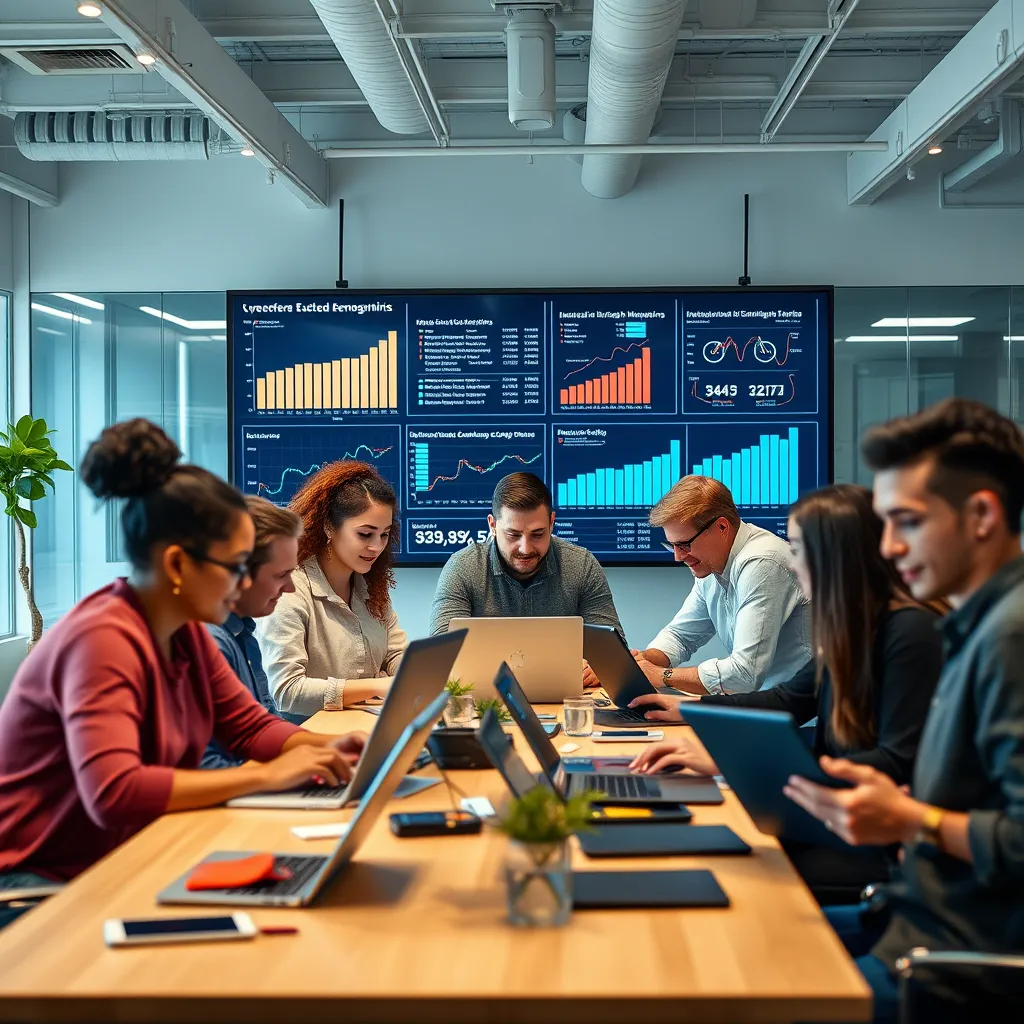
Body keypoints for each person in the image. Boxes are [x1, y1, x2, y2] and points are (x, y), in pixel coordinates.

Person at [0, 420, 366, 911]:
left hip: (121, 857)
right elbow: (115, 790)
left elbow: (247, 726)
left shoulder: (185, 631)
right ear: (177, 565)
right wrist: (267, 776)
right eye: (236, 565)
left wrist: (331, 749)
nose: (242, 583)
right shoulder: (102, 640)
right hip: (37, 884)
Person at [784, 399, 1024, 1022]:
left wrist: (912, 819)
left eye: (907, 522)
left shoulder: (1007, 637)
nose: (887, 547)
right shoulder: (976, 626)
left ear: (981, 515)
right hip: (905, 919)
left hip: (945, 962)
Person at [629, 484, 945, 903]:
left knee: (726, 870)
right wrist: (695, 712)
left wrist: (738, 760)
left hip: (870, 832)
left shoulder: (909, 633)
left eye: (800, 550)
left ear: (840, 559)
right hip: (833, 808)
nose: (793, 565)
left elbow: (893, 762)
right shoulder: (852, 626)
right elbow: (789, 700)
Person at [427, 472, 624, 687]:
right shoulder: (462, 568)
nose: (525, 548)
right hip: (486, 702)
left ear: (552, 522)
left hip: (570, 699)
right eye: (513, 535)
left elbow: (615, 655)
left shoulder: (582, 565)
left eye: (538, 534)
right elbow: (441, 657)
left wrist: (600, 666)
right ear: (492, 525)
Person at [628, 475, 811, 697]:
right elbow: (680, 636)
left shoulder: (762, 563)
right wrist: (641, 663)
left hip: (802, 719)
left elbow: (745, 674)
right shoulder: (711, 565)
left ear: (722, 527)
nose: (678, 557)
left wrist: (662, 676)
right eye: (672, 545)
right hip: (763, 708)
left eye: (684, 544)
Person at [258, 461, 407, 718]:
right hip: (306, 736)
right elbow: (286, 691)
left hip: (362, 725)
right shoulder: (289, 588)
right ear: (329, 527)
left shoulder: (371, 587)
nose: (377, 546)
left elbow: (394, 654)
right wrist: (379, 686)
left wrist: (412, 674)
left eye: (384, 534)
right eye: (365, 534)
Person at [202, 496, 303, 768]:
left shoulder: (243, 634)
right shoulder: (210, 644)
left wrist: (328, 748)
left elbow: (262, 728)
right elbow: (207, 767)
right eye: (281, 575)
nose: (291, 588)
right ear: (239, 573)